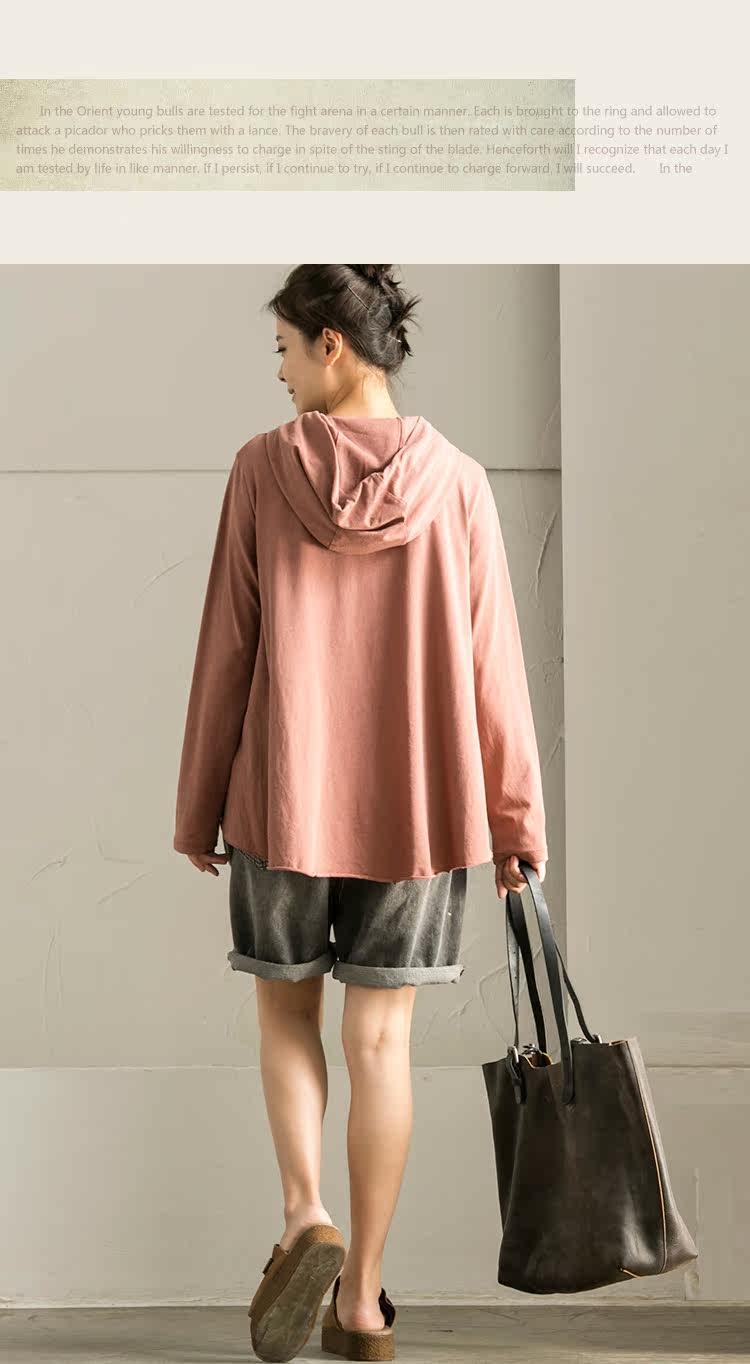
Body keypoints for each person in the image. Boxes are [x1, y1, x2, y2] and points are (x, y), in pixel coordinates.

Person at [173, 264, 548, 1361]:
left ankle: (306, 1215)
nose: (282, 374)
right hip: (420, 812)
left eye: (286, 350)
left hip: (283, 798)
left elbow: (228, 648)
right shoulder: (461, 483)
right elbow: (494, 670)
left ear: (331, 344)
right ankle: (362, 1302)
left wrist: (198, 806)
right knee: (381, 1042)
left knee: (287, 1018)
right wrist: (515, 822)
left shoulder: (261, 468)